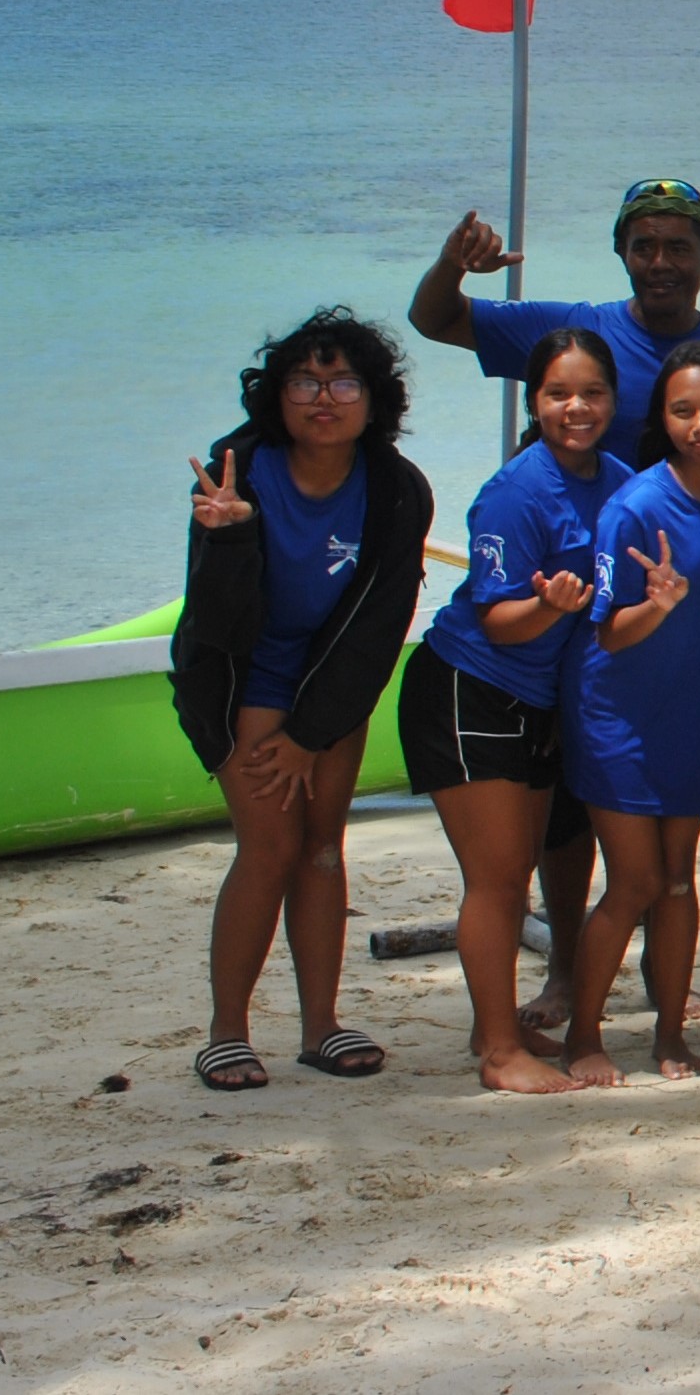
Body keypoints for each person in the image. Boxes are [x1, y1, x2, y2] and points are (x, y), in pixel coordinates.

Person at [169, 309, 433, 1092]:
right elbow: (217, 627)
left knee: (323, 846)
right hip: (244, 678)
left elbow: (382, 625)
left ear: (373, 397)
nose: (325, 397)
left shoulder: (394, 488)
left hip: (333, 680)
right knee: (271, 848)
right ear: (275, 395)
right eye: (305, 381)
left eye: (343, 381)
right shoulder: (235, 470)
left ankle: (320, 1023)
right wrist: (229, 538)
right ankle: (226, 1031)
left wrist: (313, 732)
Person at [398, 327, 624, 1095]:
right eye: (559, 393)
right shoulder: (516, 491)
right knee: (497, 881)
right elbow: (498, 619)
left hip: (540, 700)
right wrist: (550, 605)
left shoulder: (619, 479)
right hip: (469, 685)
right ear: (534, 401)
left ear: (614, 399)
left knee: (518, 866)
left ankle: (491, 1024)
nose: (577, 407)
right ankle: (500, 1052)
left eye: (592, 392)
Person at [557, 342, 700, 1085]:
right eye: (683, 410)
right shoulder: (637, 505)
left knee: (680, 880)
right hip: (619, 715)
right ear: (662, 418)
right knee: (634, 881)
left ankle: (670, 1034)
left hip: (697, 715)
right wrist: (656, 606)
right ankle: (583, 1035)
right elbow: (609, 632)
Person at [407, 177, 700, 420]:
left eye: (679, 248)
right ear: (621, 252)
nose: (659, 264)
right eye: (644, 248)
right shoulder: (571, 335)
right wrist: (452, 264)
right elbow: (434, 320)